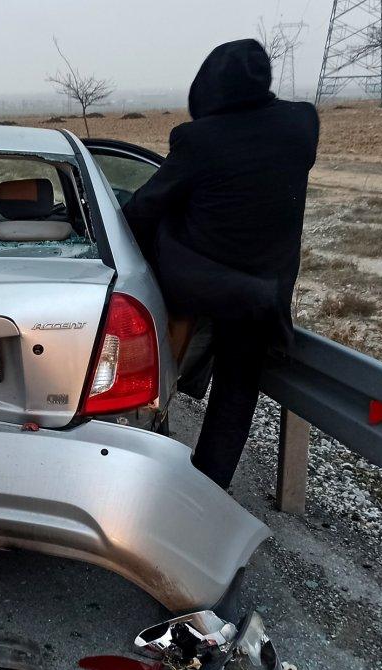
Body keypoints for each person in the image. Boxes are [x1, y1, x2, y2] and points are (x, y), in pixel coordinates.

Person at [123, 39, 319, 489]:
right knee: (238, 388)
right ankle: (209, 486)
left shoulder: (199, 140)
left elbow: (144, 209)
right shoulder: (303, 124)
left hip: (199, 282)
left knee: (166, 218)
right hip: (264, 292)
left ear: (208, 87)